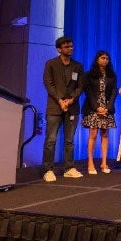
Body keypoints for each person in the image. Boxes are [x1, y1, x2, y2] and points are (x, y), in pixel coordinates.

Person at [42, 36, 84, 182]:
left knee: (70, 140)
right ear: (59, 49)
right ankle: (48, 169)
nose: (70, 48)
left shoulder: (77, 66)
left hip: (72, 107)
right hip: (55, 106)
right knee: (51, 140)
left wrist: (71, 99)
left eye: (71, 46)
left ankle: (69, 168)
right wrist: (60, 101)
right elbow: (49, 84)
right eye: (67, 47)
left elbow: (80, 86)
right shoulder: (51, 64)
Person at [81, 50, 117, 175]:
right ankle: (90, 163)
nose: (105, 60)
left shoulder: (111, 75)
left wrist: (108, 107)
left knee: (105, 134)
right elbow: (89, 92)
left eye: (107, 58)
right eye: (102, 58)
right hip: (93, 107)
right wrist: (97, 108)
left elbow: (113, 92)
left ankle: (104, 162)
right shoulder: (89, 75)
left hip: (107, 108)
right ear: (97, 59)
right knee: (93, 134)